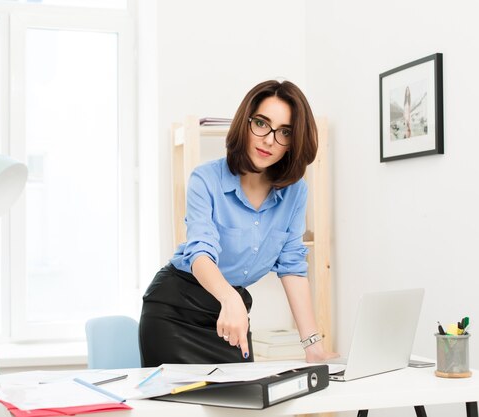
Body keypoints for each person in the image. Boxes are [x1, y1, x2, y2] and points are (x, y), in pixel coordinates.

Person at [139, 79, 338, 366]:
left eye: (284, 132)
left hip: (232, 317)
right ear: (245, 123)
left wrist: (312, 345)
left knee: (245, 404)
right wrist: (229, 298)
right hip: (175, 312)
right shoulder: (205, 179)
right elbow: (201, 251)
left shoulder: (296, 192)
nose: (269, 139)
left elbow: (292, 265)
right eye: (261, 124)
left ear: (293, 143)